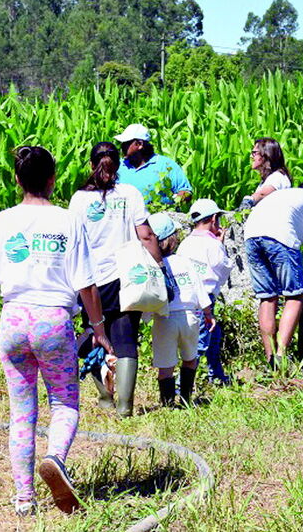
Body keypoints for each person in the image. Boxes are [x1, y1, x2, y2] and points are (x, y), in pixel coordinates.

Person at [0, 146, 112, 516]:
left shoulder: (2, 221)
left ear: (17, 180)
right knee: (64, 402)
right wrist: (99, 330)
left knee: (21, 412)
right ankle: (55, 459)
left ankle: (24, 500)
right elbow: (87, 286)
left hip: (13, 319)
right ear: (53, 179)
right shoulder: (69, 221)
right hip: (53, 320)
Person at [68, 142, 163, 417]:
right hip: (126, 277)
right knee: (126, 339)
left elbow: (73, 241)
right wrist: (159, 267)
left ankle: (105, 398)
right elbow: (146, 235)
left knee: (96, 336)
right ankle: (125, 406)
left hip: (91, 280)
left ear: (91, 164)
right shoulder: (130, 193)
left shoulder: (79, 199)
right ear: (118, 164)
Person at [244, 180, 303, 368]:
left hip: (250, 235)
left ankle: (270, 359)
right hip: (280, 237)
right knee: (295, 296)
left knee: (267, 297)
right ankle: (281, 356)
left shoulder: (286, 195)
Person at [147, 212, 213, 406]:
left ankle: (167, 403)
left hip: (164, 320)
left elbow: (149, 295)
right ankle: (185, 399)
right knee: (190, 358)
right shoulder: (184, 261)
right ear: (173, 239)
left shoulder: (153, 266)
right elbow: (199, 289)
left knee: (165, 367)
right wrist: (208, 313)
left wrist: (145, 317)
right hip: (189, 317)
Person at [178, 198, 232, 384]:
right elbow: (223, 269)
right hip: (205, 298)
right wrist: (221, 244)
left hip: (186, 296)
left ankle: (216, 374)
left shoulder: (186, 243)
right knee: (200, 342)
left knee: (213, 334)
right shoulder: (213, 245)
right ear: (214, 218)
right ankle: (180, 386)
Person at [114, 123, 192, 206]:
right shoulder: (118, 166)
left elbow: (186, 192)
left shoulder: (165, 165)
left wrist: (172, 204)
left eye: (126, 143)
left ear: (140, 144)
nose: (122, 147)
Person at [241, 138, 292, 208]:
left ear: (266, 154)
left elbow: (262, 194)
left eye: (254, 153)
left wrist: (249, 200)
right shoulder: (272, 177)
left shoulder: (277, 177)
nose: (251, 156)